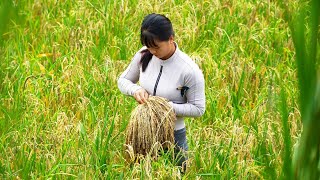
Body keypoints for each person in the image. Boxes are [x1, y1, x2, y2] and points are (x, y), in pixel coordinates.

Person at [117, 13, 206, 172]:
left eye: (156, 47)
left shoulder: (189, 71)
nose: (151, 51)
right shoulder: (144, 55)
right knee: (140, 173)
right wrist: (135, 90)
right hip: (143, 134)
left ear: (171, 39)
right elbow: (123, 81)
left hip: (174, 137)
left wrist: (163, 107)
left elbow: (198, 109)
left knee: (179, 173)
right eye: (148, 46)